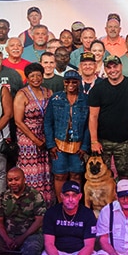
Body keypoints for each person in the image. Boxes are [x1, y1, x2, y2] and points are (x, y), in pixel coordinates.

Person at [89, 54, 128, 180]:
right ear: (105, 69)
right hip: (103, 141)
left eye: (115, 66)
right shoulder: (98, 89)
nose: (113, 70)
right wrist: (94, 141)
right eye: (109, 67)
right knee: (102, 177)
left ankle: (127, 200)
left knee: (127, 176)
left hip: (127, 140)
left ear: (121, 66)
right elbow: (93, 116)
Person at [39, 181, 99, 255]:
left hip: (80, 253)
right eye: (67, 195)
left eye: (74, 195)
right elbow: (49, 243)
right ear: (61, 196)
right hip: (57, 252)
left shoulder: (87, 214)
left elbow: (89, 246)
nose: (70, 199)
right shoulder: (52, 213)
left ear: (80, 196)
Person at [44, 70, 91, 201]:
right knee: (60, 175)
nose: (71, 84)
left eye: (74, 81)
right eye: (68, 81)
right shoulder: (55, 98)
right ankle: (61, 204)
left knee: (76, 175)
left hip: (78, 144)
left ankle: (75, 202)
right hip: (59, 143)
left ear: (79, 83)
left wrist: (85, 146)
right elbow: (48, 122)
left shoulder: (85, 100)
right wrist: (50, 144)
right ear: (64, 83)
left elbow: (89, 125)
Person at [15, 63, 55, 201]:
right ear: (27, 78)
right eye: (32, 76)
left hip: (46, 135)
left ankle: (46, 204)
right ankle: (30, 204)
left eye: (39, 75)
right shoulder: (22, 94)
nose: (36, 78)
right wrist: (36, 140)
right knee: (32, 172)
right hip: (28, 138)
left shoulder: (49, 92)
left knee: (46, 171)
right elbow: (18, 121)